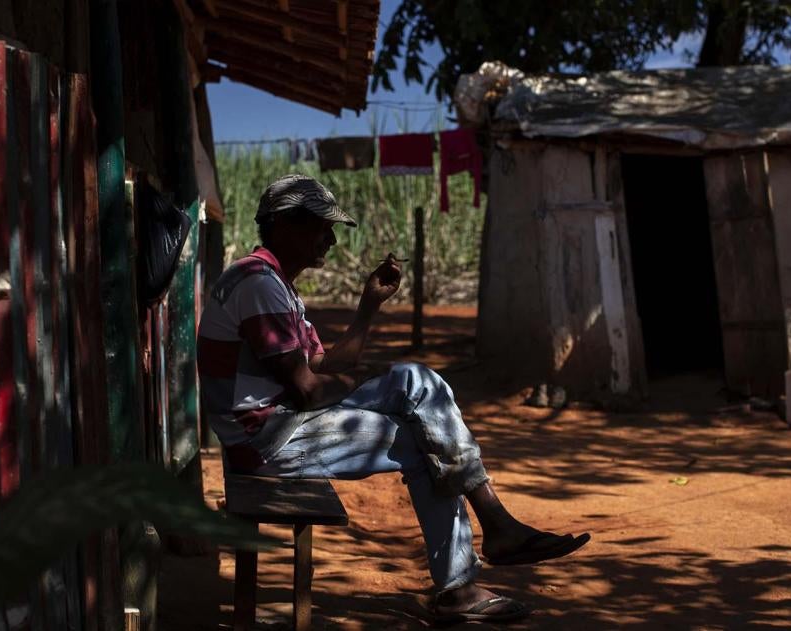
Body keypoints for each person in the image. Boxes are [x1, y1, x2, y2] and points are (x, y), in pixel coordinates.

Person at [197, 174, 590, 624]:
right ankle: (470, 570)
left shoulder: (273, 282)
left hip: (279, 424)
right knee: (421, 440)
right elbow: (308, 388)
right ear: (286, 225)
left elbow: (324, 362)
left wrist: (369, 305)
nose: (329, 239)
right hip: (265, 439)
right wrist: (363, 382)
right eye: (321, 227)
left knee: (415, 381)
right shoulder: (258, 284)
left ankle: (491, 533)